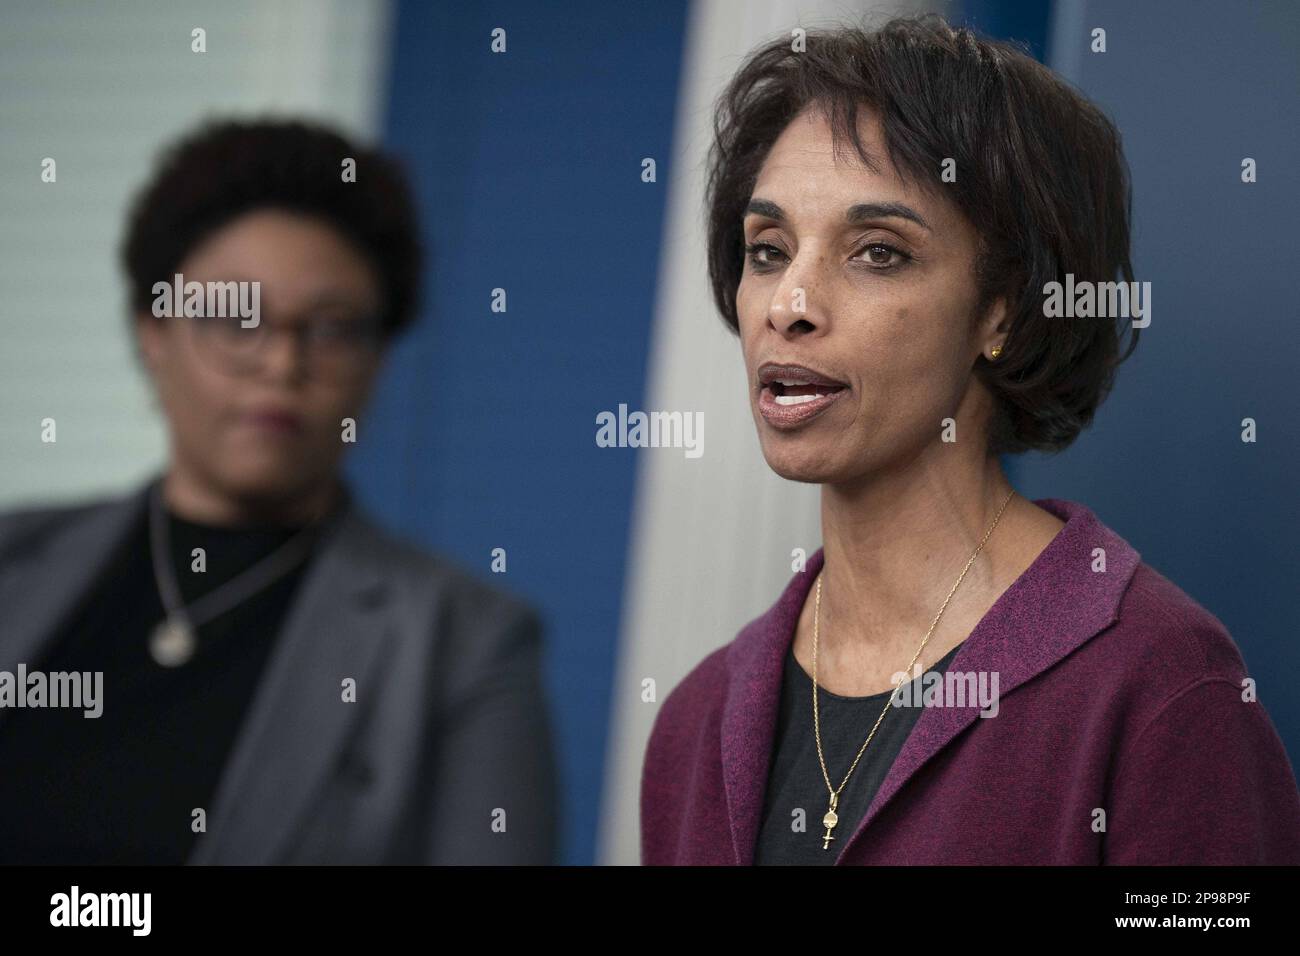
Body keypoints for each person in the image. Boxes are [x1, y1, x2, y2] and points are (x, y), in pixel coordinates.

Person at [640, 15, 1300, 865]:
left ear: (1005, 310)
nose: (787, 304)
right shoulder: (697, 718)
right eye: (767, 250)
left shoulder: (1159, 682)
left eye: (876, 253)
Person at [0, 118, 558, 864]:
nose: (281, 363)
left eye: (331, 330)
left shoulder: (464, 643)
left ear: (379, 361)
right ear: (153, 332)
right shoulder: (15, 561)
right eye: (236, 318)